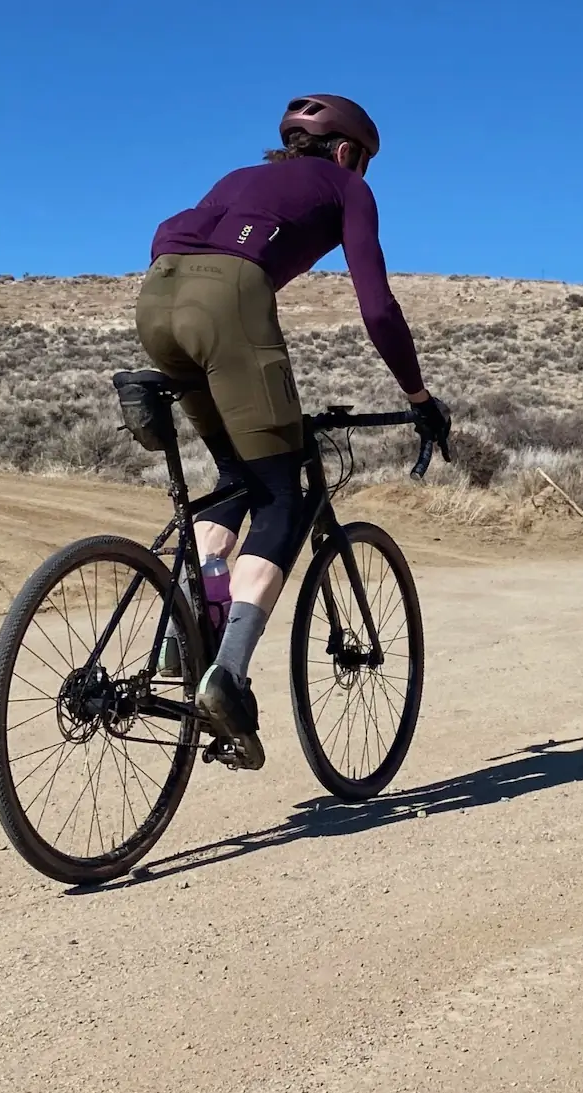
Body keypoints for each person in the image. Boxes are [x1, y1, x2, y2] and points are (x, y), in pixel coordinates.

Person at [136, 94, 449, 767]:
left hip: (156, 296)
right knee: (281, 496)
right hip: (229, 302)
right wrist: (419, 396)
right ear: (348, 152)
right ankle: (227, 675)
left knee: (236, 473)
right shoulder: (346, 187)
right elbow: (378, 308)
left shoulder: (238, 177)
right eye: (364, 163)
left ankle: (188, 624)